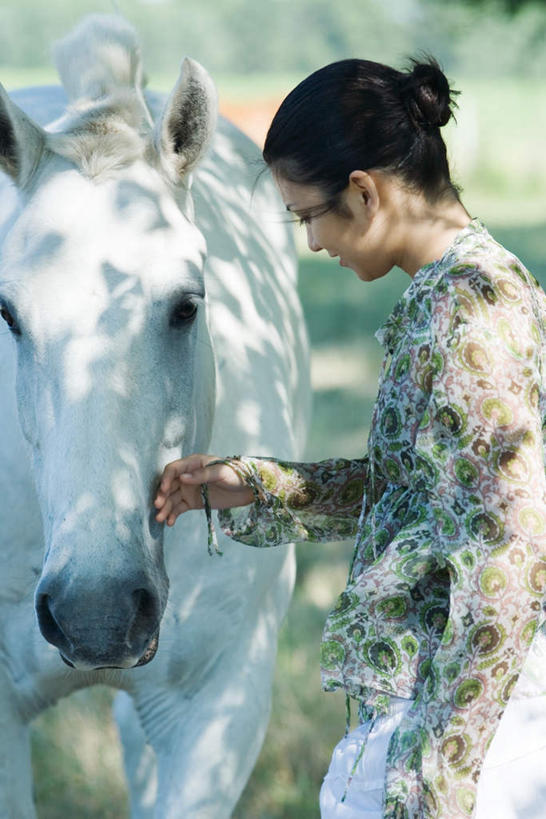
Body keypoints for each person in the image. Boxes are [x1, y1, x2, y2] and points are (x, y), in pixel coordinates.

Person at [154, 57, 546, 818]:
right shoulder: (462, 292)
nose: (309, 242)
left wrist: (439, 776)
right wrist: (256, 482)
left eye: (307, 216)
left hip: (457, 718)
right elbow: (421, 493)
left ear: (364, 193)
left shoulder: (470, 315)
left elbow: (514, 546)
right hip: (440, 705)